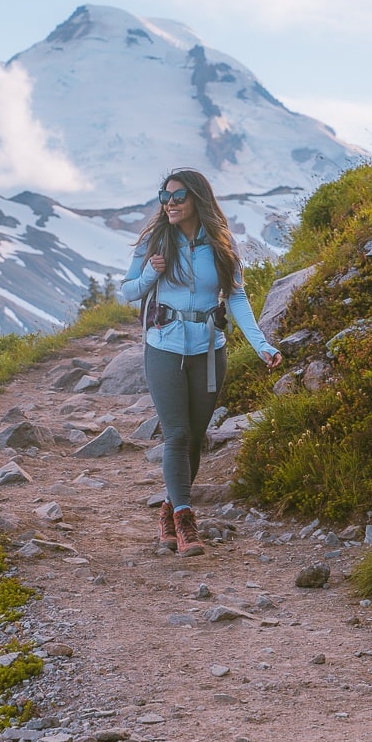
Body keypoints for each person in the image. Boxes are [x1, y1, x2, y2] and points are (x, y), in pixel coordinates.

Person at [120, 169, 282, 556]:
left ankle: (168, 511)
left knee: (195, 436)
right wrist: (148, 276)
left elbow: (237, 297)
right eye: (165, 196)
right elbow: (126, 292)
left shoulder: (222, 244)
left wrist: (261, 343)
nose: (169, 204)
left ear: (197, 199)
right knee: (176, 435)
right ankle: (185, 519)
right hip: (163, 346)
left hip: (210, 350)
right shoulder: (155, 241)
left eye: (178, 197)